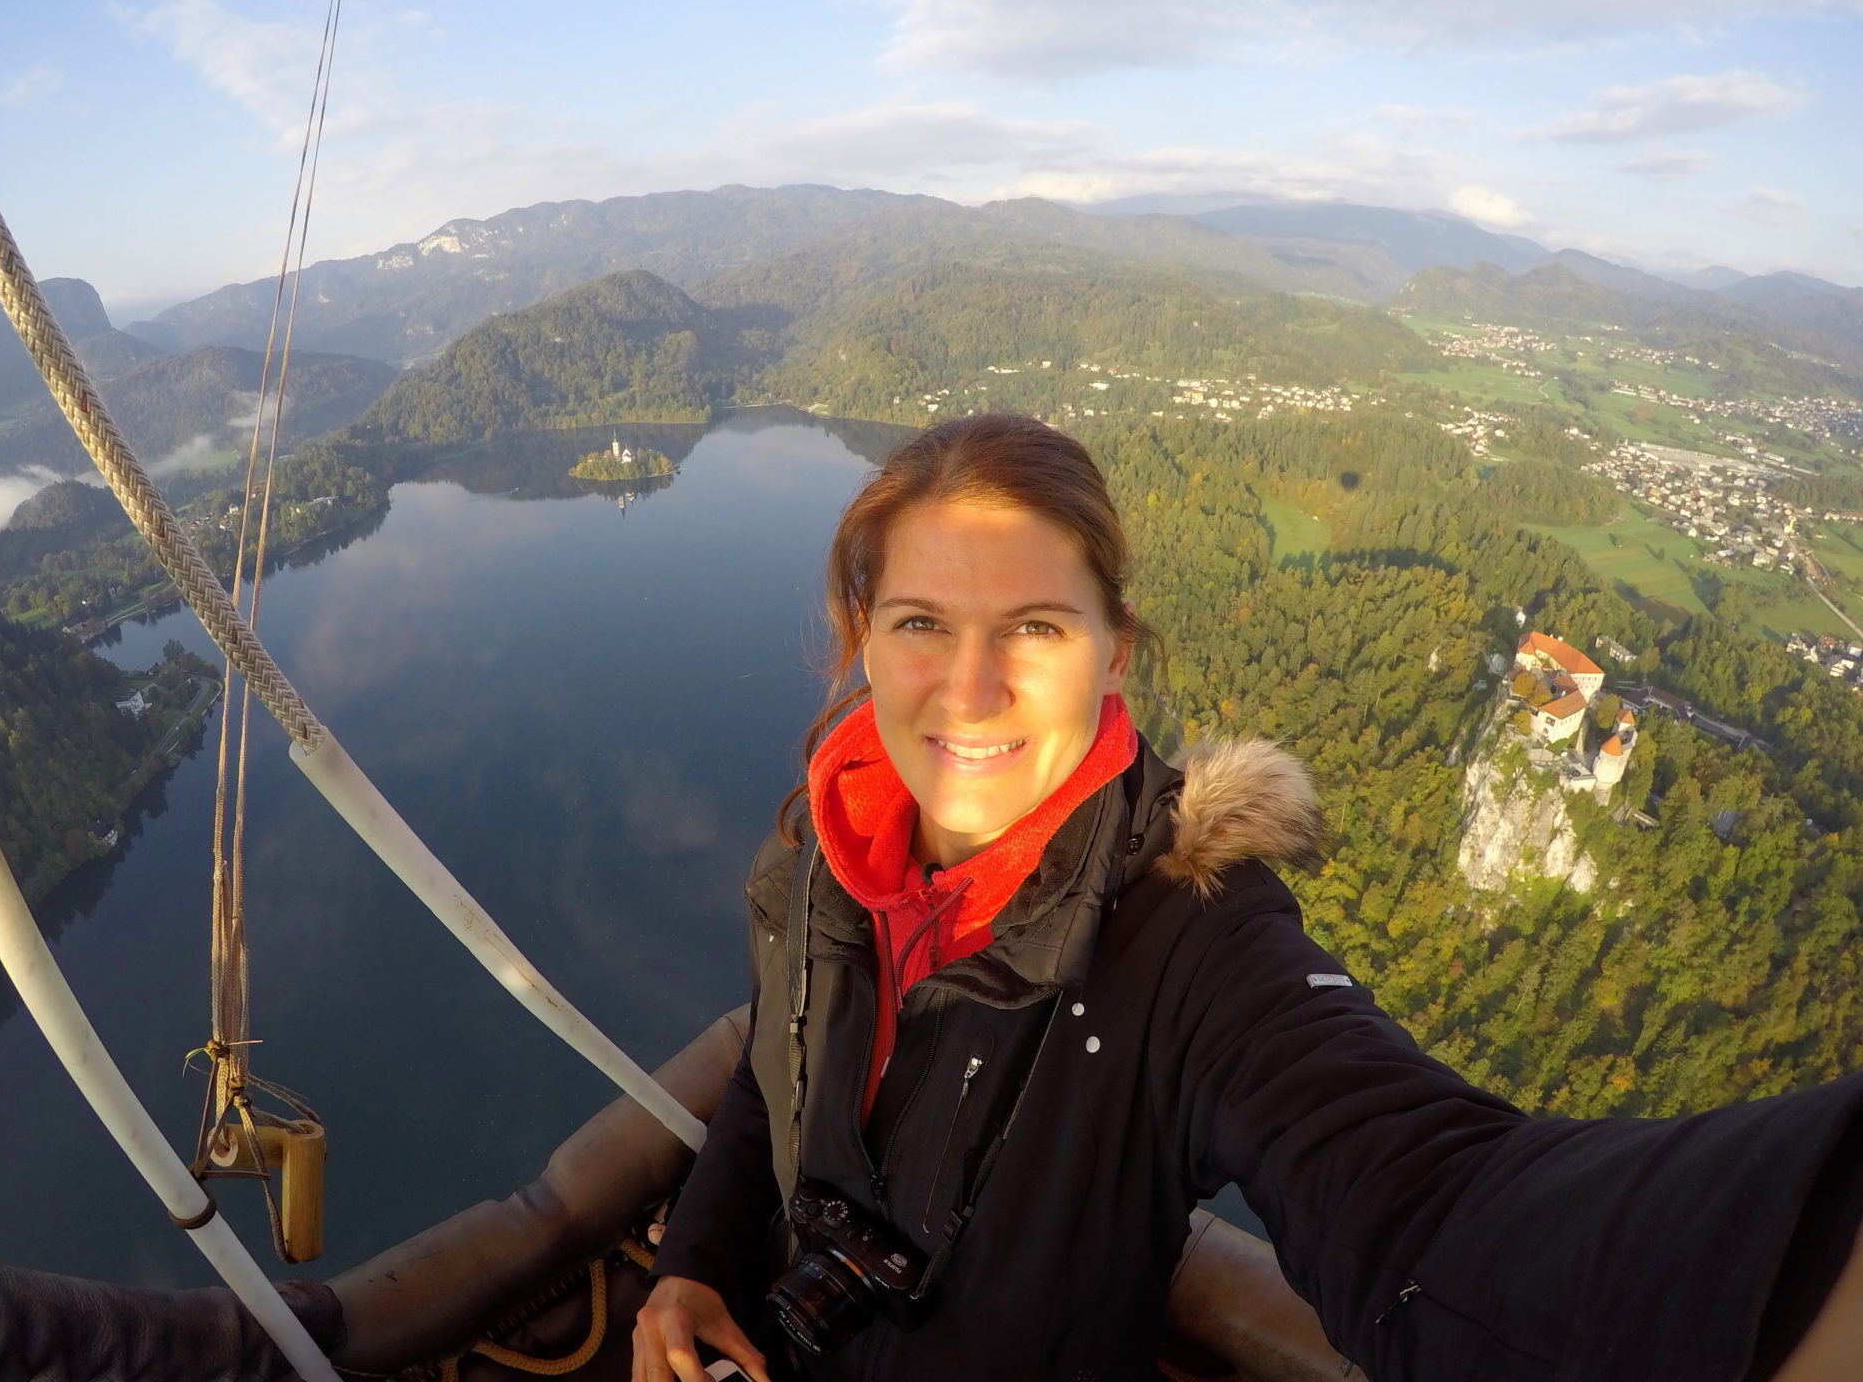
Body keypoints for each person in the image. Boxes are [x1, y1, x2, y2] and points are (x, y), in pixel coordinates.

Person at [632, 413, 1863, 1382]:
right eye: (918, 622)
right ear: (863, 634)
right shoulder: (820, 851)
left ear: (1114, 651)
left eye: (1034, 630)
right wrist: (693, 1265)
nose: (967, 687)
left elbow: (1423, 1201)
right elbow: (768, 1077)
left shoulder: (1192, 944)